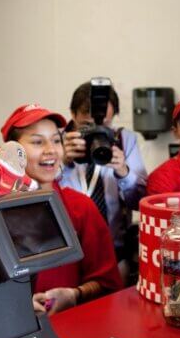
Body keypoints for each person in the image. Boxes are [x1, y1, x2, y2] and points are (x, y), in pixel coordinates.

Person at [1, 104, 123, 314]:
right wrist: (16, 305)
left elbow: (107, 283)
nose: (51, 150)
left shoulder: (80, 207)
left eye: (56, 140)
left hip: (70, 330)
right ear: (12, 151)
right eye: (38, 142)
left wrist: (75, 295)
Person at [61, 82, 147, 270]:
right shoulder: (56, 142)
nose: (97, 131)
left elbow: (140, 202)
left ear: (113, 116)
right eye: (87, 126)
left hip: (114, 252)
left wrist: (124, 172)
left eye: (104, 125)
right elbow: (41, 195)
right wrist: (63, 164)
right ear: (73, 115)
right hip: (67, 255)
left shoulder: (125, 140)